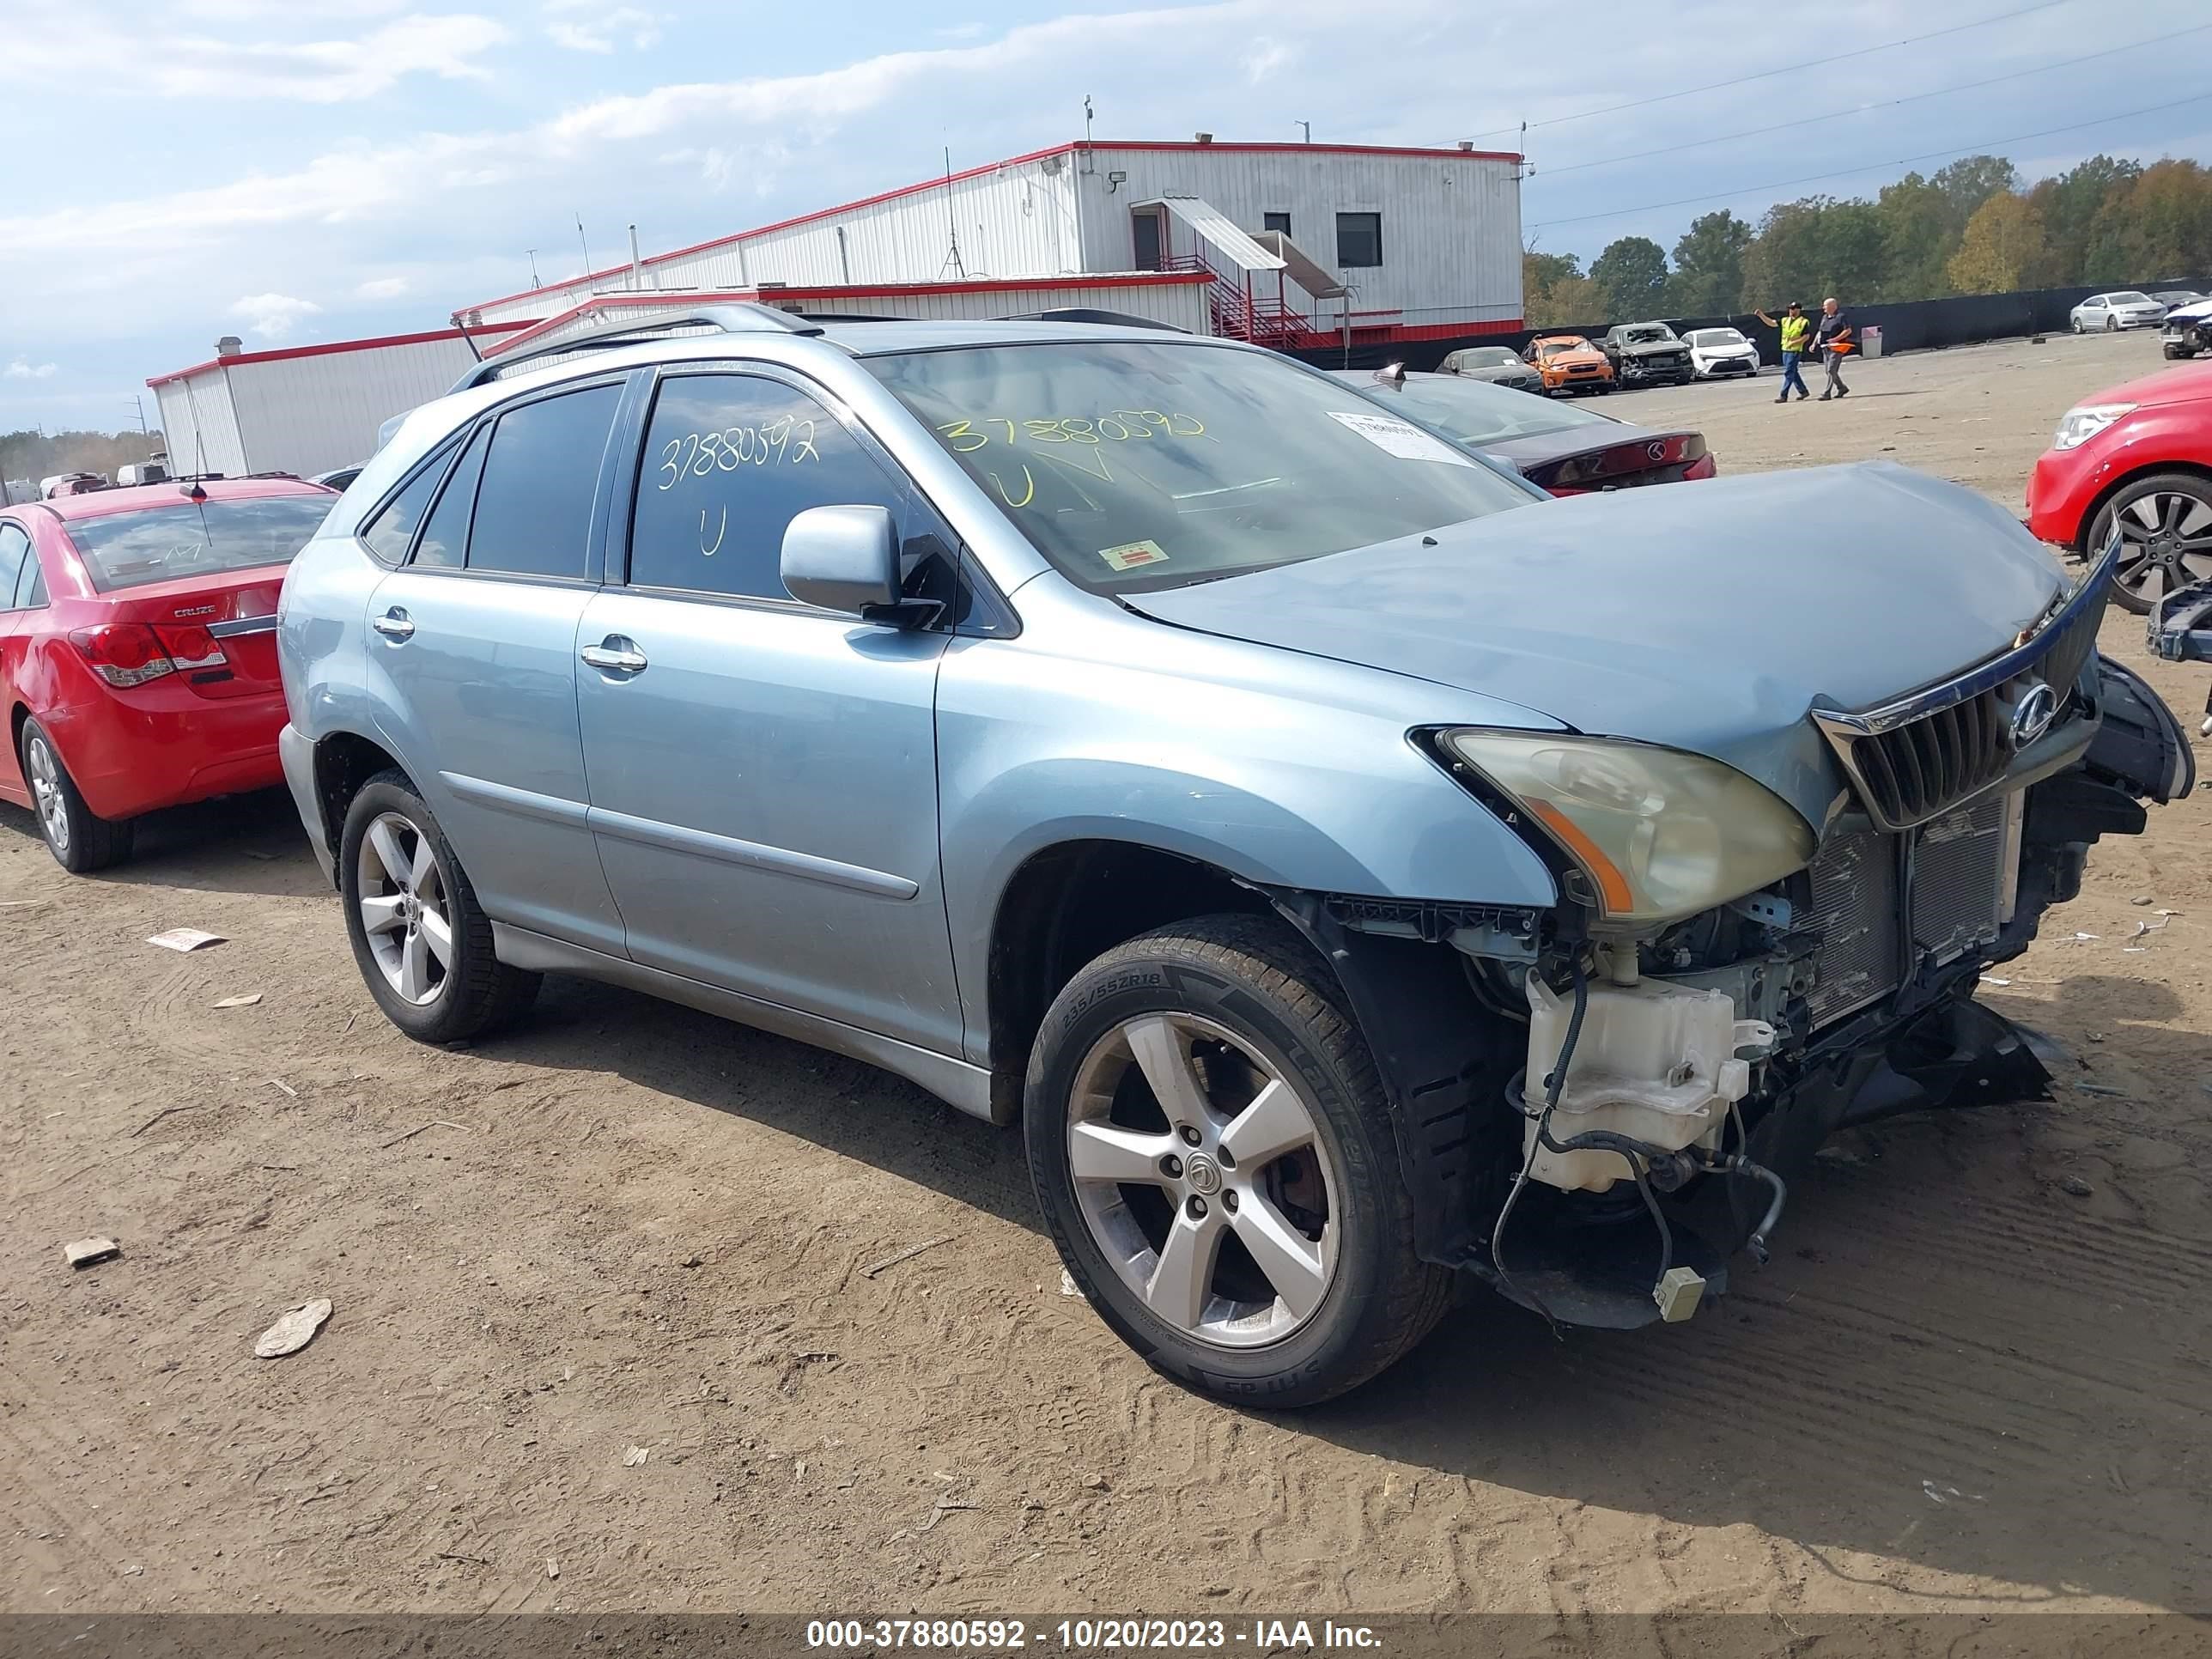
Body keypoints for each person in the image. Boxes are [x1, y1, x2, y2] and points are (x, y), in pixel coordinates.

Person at [1754, 301, 1812, 403]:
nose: (1791, 311)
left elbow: (1806, 337)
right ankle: (1803, 391)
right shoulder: (1785, 320)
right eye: (1790, 309)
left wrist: (1794, 342)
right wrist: (1761, 315)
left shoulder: (1803, 322)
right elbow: (1772, 323)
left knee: (1789, 372)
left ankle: (1783, 395)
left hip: (1795, 350)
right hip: (1785, 350)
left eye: (1793, 309)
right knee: (1793, 372)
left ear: (1799, 310)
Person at [1814, 295, 1854, 400]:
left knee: (1831, 369)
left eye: (1825, 306)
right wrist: (1814, 344)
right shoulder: (1824, 318)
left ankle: (1827, 393)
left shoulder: (1841, 316)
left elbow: (1848, 330)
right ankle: (1842, 388)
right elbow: (1820, 331)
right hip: (1825, 348)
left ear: (1833, 306)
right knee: (1829, 371)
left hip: (1837, 347)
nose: (1823, 308)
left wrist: (1835, 339)